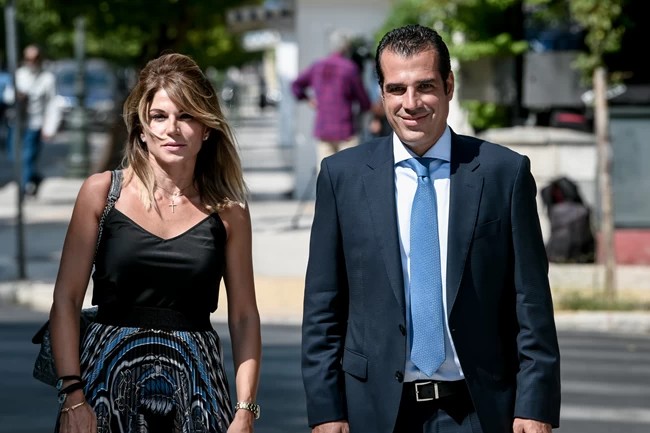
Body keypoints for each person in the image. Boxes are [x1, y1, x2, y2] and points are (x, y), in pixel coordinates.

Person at [301, 24, 561, 433]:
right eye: (397, 89)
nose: (411, 103)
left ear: (448, 86)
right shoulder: (341, 177)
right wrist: (326, 410)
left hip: (479, 410)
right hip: (376, 413)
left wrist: (535, 406)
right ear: (381, 94)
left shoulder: (503, 174)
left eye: (425, 86)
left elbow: (531, 301)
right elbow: (323, 306)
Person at [48, 53, 261, 433]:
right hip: (102, 386)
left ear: (207, 128)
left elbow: (244, 316)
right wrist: (73, 395)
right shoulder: (102, 193)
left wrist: (245, 410)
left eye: (187, 116)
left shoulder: (229, 214)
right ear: (141, 129)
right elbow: (66, 298)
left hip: (198, 389)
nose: (172, 129)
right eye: (159, 117)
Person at [291, 29, 371, 167]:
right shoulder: (349, 68)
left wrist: (308, 99)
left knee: (325, 173)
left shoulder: (317, 66)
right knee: (348, 174)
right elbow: (364, 101)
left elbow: (295, 85)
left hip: (324, 129)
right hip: (345, 129)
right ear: (346, 47)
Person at [3, 44, 62, 195]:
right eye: (28, 58)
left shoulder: (47, 78)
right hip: (16, 122)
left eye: (34, 58)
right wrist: (18, 96)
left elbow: (52, 104)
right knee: (13, 156)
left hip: (35, 123)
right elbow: (7, 96)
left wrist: (49, 128)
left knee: (27, 156)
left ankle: (23, 188)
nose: (31, 62)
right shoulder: (19, 75)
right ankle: (34, 178)